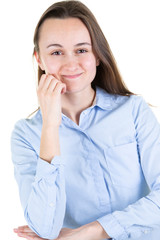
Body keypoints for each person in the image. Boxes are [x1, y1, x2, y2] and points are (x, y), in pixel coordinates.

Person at [11, 1, 160, 240]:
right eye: (56, 52)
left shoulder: (134, 111)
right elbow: (44, 228)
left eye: (81, 50)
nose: (71, 64)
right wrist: (50, 124)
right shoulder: (26, 134)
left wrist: (94, 230)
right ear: (39, 59)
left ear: (97, 56)